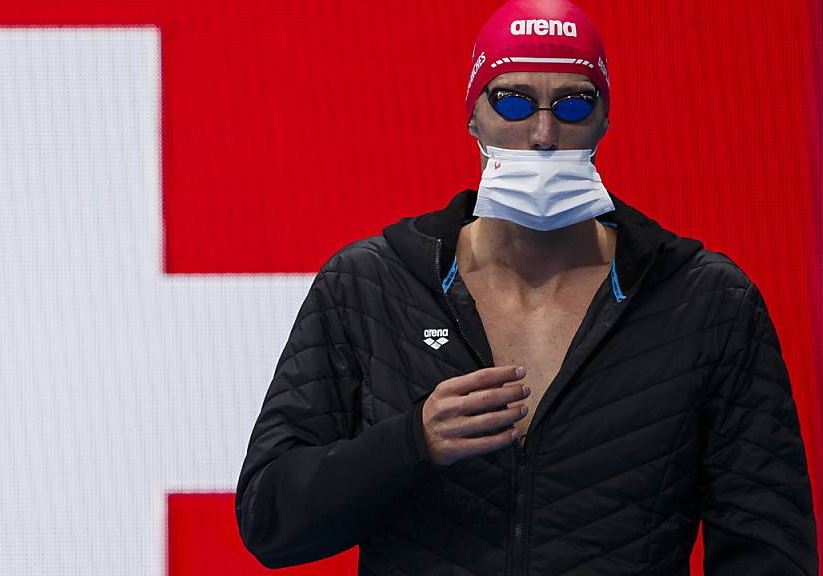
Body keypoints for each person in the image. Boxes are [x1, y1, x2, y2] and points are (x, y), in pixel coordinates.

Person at [235, 0, 819, 573]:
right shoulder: (370, 285)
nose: (542, 132)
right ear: (473, 116)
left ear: (604, 119)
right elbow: (270, 521)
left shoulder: (705, 303)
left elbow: (768, 547)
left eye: (573, 104)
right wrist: (411, 444)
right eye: (512, 101)